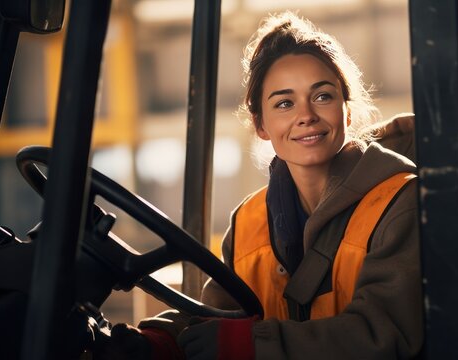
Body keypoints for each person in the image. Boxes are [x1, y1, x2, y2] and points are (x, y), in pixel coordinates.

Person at [96, 11, 422, 360]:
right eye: (284, 103)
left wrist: (252, 345)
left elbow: (385, 333)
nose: (306, 115)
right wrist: (161, 342)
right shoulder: (249, 221)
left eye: (323, 96)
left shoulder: (400, 202)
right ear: (261, 125)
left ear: (347, 111)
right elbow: (217, 315)